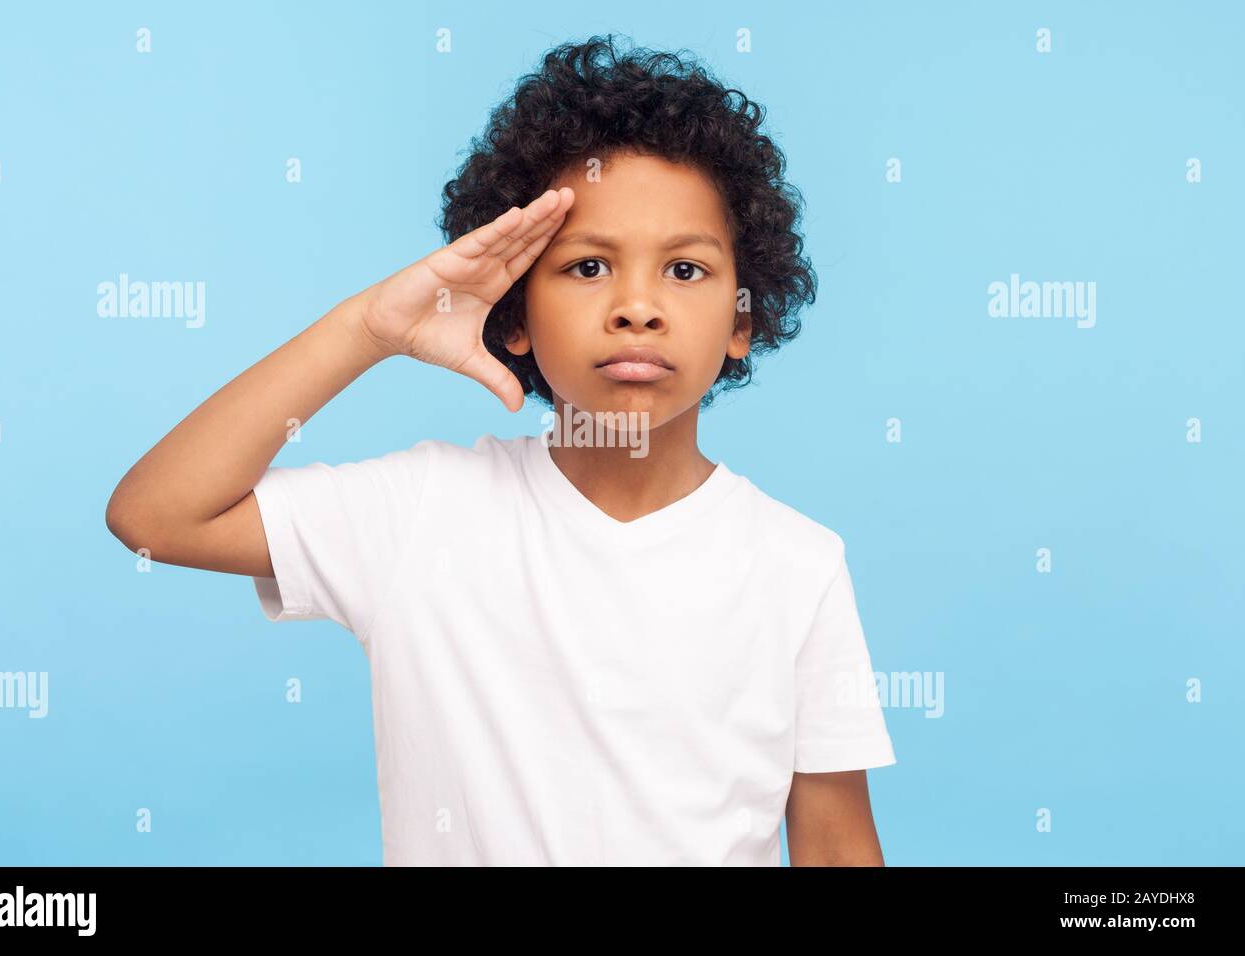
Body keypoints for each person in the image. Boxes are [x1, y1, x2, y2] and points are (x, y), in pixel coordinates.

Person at [106, 34, 897, 866]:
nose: (637, 306)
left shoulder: (797, 565)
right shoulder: (422, 515)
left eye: (686, 271)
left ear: (743, 317)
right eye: (587, 267)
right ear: (512, 313)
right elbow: (154, 516)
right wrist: (369, 326)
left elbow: (838, 846)